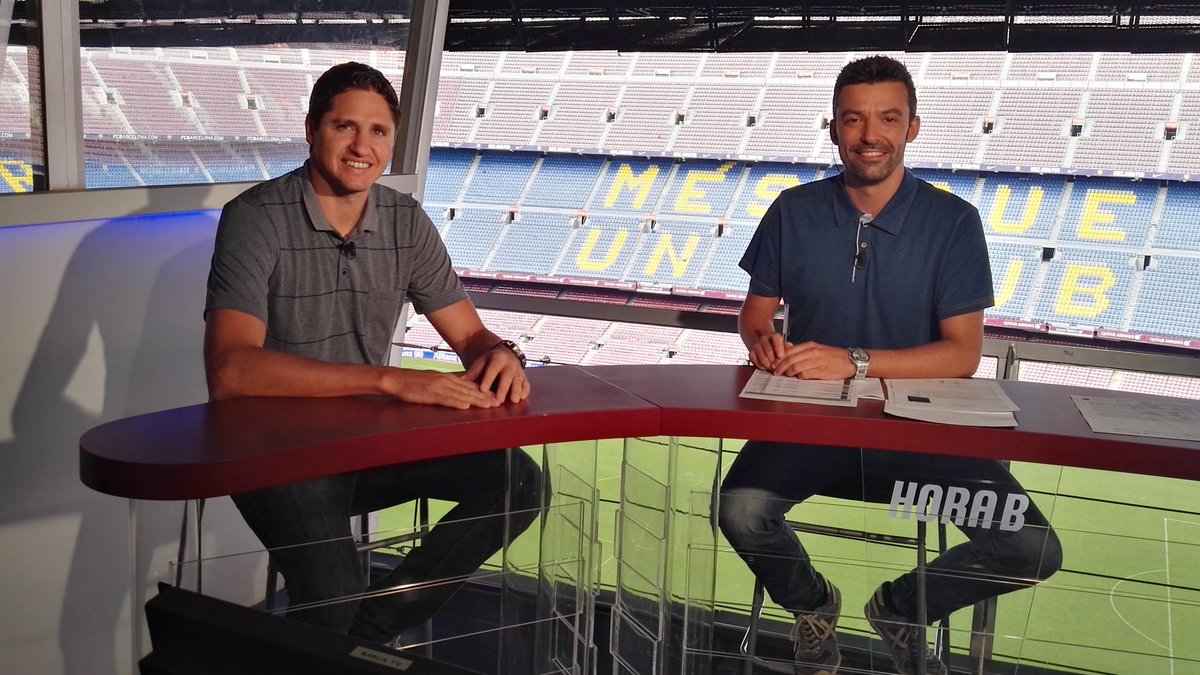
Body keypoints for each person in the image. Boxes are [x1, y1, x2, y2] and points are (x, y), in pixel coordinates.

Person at [717, 55, 1062, 675]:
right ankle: (813, 604)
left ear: (912, 128)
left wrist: (852, 363)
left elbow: (963, 354)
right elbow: (755, 315)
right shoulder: (791, 210)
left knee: (1030, 548)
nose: (869, 135)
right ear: (834, 129)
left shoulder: (954, 222)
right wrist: (762, 341)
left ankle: (902, 608)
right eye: (853, 119)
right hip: (813, 432)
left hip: (923, 445)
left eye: (888, 118)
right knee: (740, 511)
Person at [203, 61, 543, 645]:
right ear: (311, 130)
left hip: (367, 446)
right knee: (332, 598)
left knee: (516, 483)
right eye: (345, 127)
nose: (362, 147)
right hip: (276, 454)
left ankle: (368, 632)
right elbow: (231, 370)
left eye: (378, 131)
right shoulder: (255, 217)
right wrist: (390, 381)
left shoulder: (404, 219)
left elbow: (470, 337)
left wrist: (502, 353)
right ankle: (347, 641)